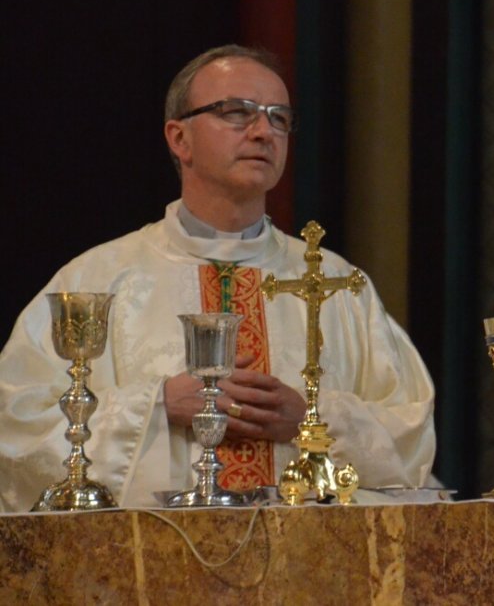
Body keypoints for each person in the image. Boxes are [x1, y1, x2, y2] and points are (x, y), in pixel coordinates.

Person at [0, 45, 435, 510]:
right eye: (237, 112)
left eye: (279, 118)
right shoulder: (100, 280)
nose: (264, 131)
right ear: (178, 138)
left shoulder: (335, 282)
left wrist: (311, 420)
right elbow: (17, 430)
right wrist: (159, 407)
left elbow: (411, 435)